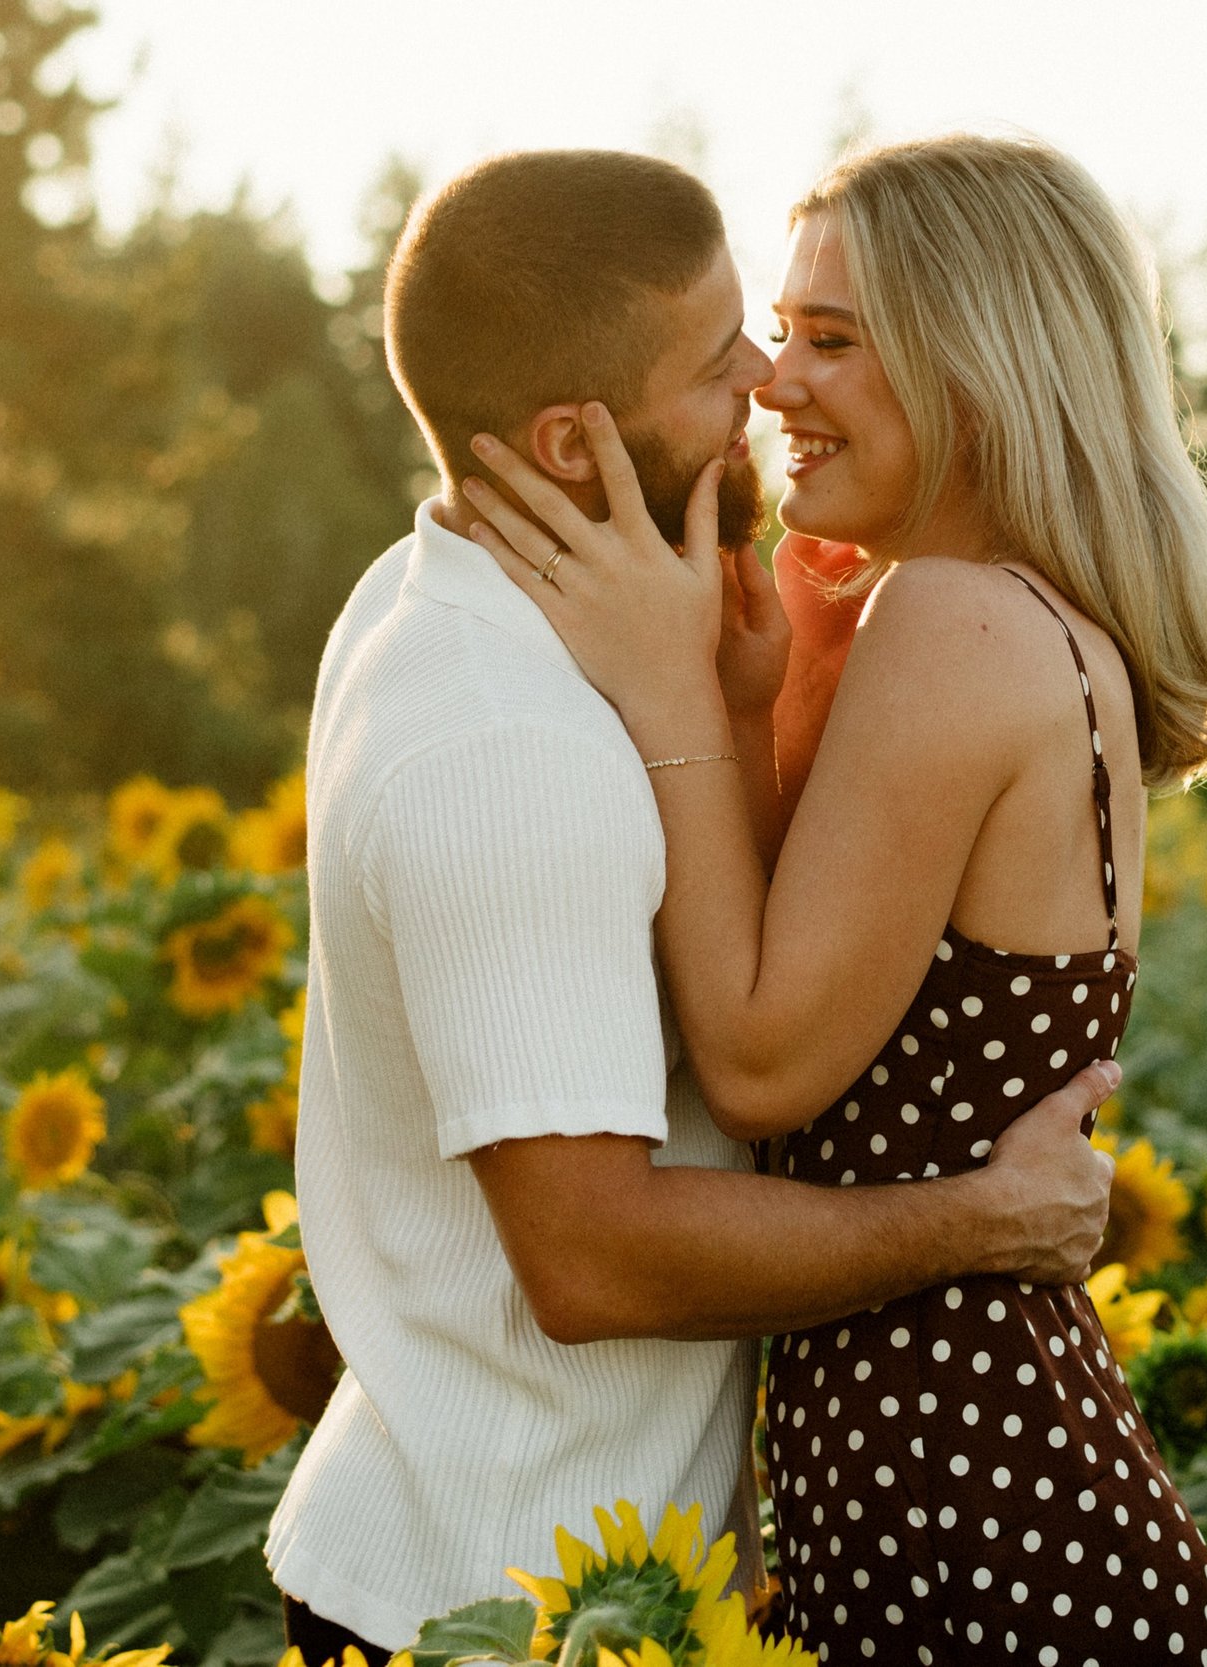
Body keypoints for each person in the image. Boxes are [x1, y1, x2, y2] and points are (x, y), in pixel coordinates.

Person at [266, 148, 1123, 1662]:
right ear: (570, 443)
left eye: (804, 335)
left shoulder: (430, 608)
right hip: (506, 1602)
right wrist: (985, 1219)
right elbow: (596, 1259)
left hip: (638, 1573)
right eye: (724, 354)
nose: (767, 381)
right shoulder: (509, 745)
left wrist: (720, 709)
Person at [463, 134, 1207, 1666]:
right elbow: (839, 980)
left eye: (831, 340)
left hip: (969, 1504)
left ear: (980, 362)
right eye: (780, 334)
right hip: (963, 1470)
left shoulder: (955, 619)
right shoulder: (1026, 618)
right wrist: (754, 694)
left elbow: (768, 1058)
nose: (773, 384)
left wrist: (663, 698)